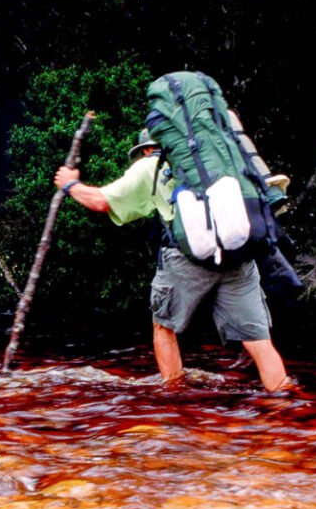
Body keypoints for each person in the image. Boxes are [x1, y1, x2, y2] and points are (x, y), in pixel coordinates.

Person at [53, 128, 291, 392]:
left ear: (146, 149)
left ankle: (174, 400)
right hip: (238, 254)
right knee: (258, 340)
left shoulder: (151, 166)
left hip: (186, 257)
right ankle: (284, 401)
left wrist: (69, 184)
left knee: (163, 327)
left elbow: (101, 201)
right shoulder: (219, 157)